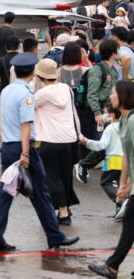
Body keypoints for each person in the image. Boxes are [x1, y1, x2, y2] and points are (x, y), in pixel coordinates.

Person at [0, 52, 79, 252]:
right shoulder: (26, 95)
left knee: (5, 194)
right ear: (32, 73)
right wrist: (26, 154)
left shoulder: (7, 91)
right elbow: (26, 126)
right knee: (40, 194)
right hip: (23, 148)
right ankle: (54, 236)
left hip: (8, 147)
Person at [88, 81, 134, 279]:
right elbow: (127, 155)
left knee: (130, 221)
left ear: (123, 96)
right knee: (130, 222)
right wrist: (123, 184)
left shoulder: (132, 121)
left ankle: (112, 266)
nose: (111, 97)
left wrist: (130, 184)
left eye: (113, 93)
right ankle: (112, 266)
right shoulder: (123, 121)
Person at [33, 58, 81, 225]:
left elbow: (27, 104)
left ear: (39, 76)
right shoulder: (67, 89)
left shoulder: (41, 94)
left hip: (50, 139)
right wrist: (79, 134)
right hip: (69, 138)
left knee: (51, 176)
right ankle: (66, 207)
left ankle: (63, 212)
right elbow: (73, 113)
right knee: (65, 176)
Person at [77, 40, 121, 184]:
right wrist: (97, 113)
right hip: (99, 111)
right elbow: (92, 93)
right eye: (118, 50)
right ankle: (84, 165)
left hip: (110, 110)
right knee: (106, 143)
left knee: (109, 143)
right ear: (113, 53)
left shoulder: (113, 70)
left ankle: (110, 174)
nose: (120, 52)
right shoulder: (98, 70)